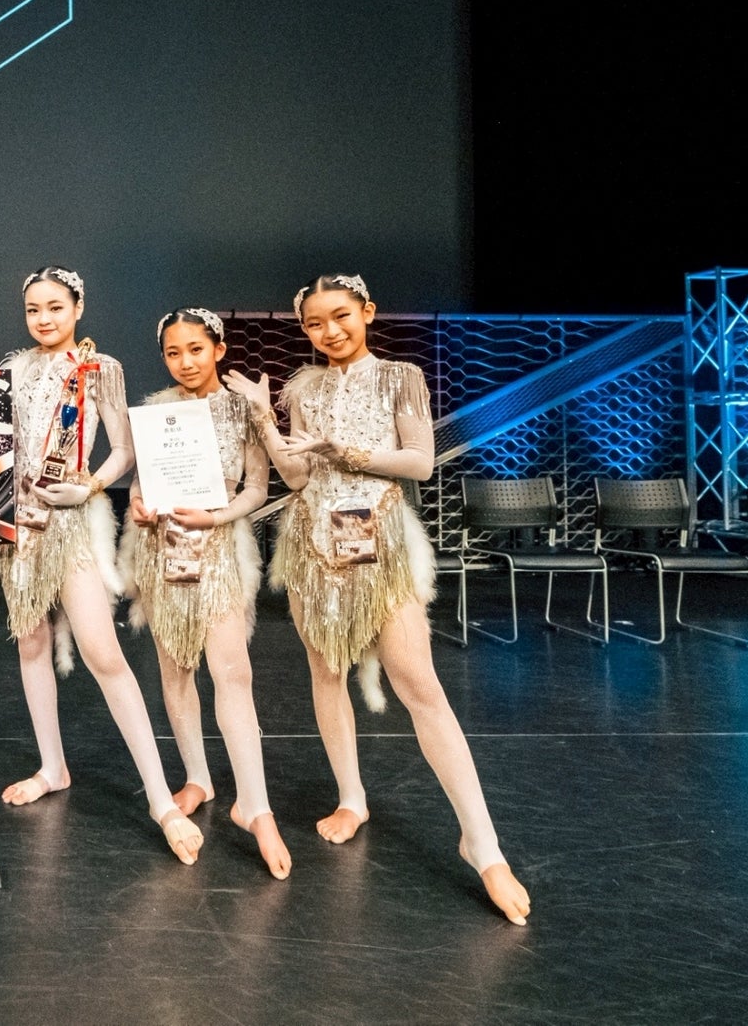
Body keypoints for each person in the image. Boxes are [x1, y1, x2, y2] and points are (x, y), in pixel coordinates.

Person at [227, 273, 531, 923]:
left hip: (381, 539)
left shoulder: (401, 377)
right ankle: (352, 797)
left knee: (418, 683)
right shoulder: (303, 388)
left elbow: (420, 462)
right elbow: (296, 475)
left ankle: (483, 844)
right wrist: (263, 415)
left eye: (340, 316)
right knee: (326, 673)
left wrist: (347, 450)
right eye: (315, 323)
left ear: (366, 311)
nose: (329, 331)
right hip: (315, 545)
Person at [0, 267, 203, 865]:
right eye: (33, 309)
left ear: (78, 307)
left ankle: (161, 801)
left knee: (101, 651)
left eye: (55, 307)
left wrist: (89, 486)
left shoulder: (100, 367)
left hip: (73, 524)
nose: (44, 319)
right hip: (19, 525)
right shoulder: (13, 368)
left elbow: (125, 449)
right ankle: (51, 766)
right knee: (31, 642)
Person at [120, 308, 290, 878]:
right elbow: (143, 482)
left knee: (231, 670)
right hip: (165, 550)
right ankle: (197, 776)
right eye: (173, 352)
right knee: (175, 671)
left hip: (218, 550)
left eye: (195, 349)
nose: (185, 361)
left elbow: (258, 487)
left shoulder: (242, 406)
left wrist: (217, 516)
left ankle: (256, 805)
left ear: (218, 348)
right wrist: (139, 505)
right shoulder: (157, 410)